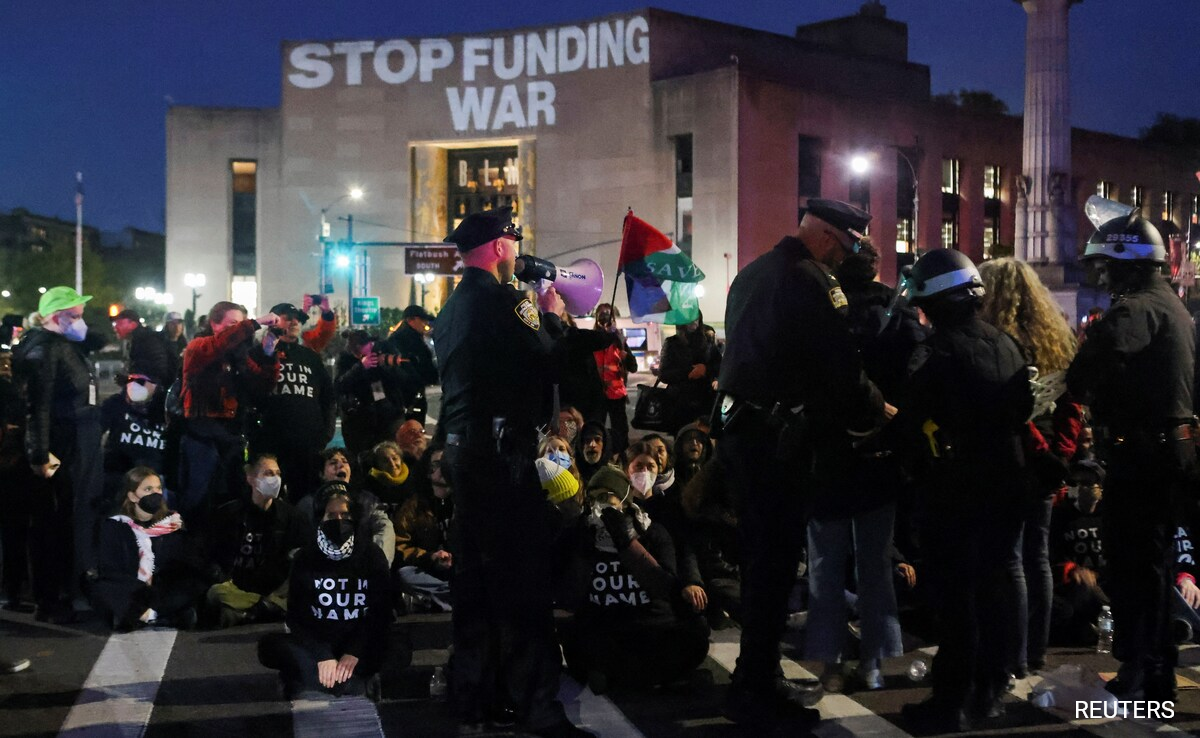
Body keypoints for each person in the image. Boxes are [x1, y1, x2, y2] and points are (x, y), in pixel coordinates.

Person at [715, 199, 888, 729]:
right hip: (777, 445)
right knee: (773, 568)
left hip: (743, 435)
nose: (847, 258)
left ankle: (757, 676)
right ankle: (756, 691)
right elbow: (838, 367)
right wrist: (880, 408)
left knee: (759, 566)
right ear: (831, 237)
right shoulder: (811, 280)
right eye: (849, 246)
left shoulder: (753, 273)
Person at [436, 206, 591, 737]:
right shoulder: (508, 301)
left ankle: (474, 698)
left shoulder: (450, 308)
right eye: (514, 244)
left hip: (465, 452)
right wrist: (550, 314)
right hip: (505, 459)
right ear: (502, 247)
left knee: (475, 584)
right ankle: (536, 706)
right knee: (524, 587)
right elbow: (548, 361)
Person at [890, 248, 1033, 730]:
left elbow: (911, 424)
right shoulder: (1006, 343)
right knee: (996, 590)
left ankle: (949, 701)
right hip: (1007, 485)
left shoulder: (936, 352)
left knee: (956, 601)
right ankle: (990, 693)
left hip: (955, 491)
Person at [1066, 213, 1195, 702]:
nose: (1103, 277)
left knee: (1134, 567)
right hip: (1169, 449)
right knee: (1154, 565)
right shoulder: (1172, 306)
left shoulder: (1133, 311)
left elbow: (1085, 374)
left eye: (1106, 266)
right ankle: (1157, 671)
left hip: (1141, 455)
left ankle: (1141, 670)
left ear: (1127, 263)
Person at [805, 241, 908, 694]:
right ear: (876, 267)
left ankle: (829, 660)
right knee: (875, 564)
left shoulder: (821, 309)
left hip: (828, 450)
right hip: (879, 451)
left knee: (825, 564)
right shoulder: (894, 311)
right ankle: (876, 660)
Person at [978, 257, 1081, 678]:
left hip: (1016, 456)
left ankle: (1014, 655)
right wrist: (1061, 455)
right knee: (1038, 556)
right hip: (1048, 460)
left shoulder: (1000, 341)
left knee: (1010, 558)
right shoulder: (1055, 337)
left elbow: (1011, 412)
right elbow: (1072, 405)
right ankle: (1036, 650)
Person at [558, 466, 710, 693]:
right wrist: (583, 547)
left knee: (696, 633)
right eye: (593, 498)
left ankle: (623, 678)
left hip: (649, 625)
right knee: (575, 639)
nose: (598, 504)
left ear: (624, 500)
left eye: (606, 497)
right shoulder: (581, 534)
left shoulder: (652, 532)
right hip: (609, 630)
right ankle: (648, 678)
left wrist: (626, 542)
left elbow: (663, 586)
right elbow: (570, 595)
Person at [11, 286, 105, 622]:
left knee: (71, 518)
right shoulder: (45, 349)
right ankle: (54, 597)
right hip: (64, 444)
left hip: (77, 439)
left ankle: (68, 590)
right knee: (55, 523)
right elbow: (38, 406)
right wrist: (40, 454)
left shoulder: (61, 345)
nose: (81, 322)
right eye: (75, 315)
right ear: (55, 317)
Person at [257, 485, 390, 699]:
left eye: (345, 515)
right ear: (320, 518)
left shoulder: (371, 555)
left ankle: (322, 678)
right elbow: (297, 617)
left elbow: (380, 612)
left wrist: (354, 652)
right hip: (320, 641)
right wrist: (322, 655)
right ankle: (347, 678)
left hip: (358, 641)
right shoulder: (305, 557)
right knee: (269, 647)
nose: (339, 520)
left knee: (397, 646)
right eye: (331, 515)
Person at [178, 301, 280, 526]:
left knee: (232, 493)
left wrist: (268, 353)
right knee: (199, 495)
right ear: (214, 324)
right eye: (233, 324)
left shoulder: (240, 357)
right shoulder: (199, 346)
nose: (239, 330)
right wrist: (255, 323)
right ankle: (192, 538)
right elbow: (220, 344)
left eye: (241, 324)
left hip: (232, 434)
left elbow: (263, 385)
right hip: (202, 433)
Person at [88, 467, 207, 631]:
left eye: (158, 489)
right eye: (148, 489)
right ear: (132, 495)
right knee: (100, 586)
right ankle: (155, 615)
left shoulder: (172, 522)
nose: (155, 494)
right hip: (129, 585)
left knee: (191, 583)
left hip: (161, 586)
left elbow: (183, 561)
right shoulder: (115, 524)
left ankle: (147, 614)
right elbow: (110, 566)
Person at [249, 302, 335, 504]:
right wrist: (255, 434)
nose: (294, 322)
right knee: (268, 498)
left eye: (297, 319)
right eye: (287, 318)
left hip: (308, 443)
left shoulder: (310, 356)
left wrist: (326, 433)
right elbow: (250, 393)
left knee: (306, 498)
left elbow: (328, 397)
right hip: (270, 443)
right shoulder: (258, 354)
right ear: (273, 321)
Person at [207, 454, 307, 627]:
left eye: (277, 474)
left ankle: (250, 612)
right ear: (251, 479)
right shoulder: (230, 514)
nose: (275, 479)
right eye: (268, 473)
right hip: (238, 587)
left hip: (275, 588)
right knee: (215, 592)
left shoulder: (293, 517)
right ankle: (262, 608)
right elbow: (211, 554)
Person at [1049, 460, 1108, 646]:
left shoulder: (1108, 518)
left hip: (1104, 584)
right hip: (1073, 587)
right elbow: (1050, 557)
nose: (1082, 488)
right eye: (1076, 483)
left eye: (1088, 483)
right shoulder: (1060, 517)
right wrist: (1072, 569)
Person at [394, 445, 455, 612]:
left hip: (459, 569)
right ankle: (453, 597)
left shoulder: (465, 501)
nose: (443, 468)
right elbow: (401, 545)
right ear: (428, 471)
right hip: (428, 570)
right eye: (437, 464)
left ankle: (440, 600)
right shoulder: (413, 506)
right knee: (404, 574)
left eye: (447, 463)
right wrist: (430, 557)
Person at [335, 330, 409, 461]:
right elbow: (340, 385)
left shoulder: (386, 351)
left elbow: (403, 379)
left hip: (388, 416)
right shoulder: (346, 359)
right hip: (359, 420)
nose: (362, 354)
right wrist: (360, 366)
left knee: (390, 455)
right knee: (362, 458)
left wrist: (385, 365)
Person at [100, 373, 168, 499]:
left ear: (156, 385)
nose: (134, 385)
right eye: (130, 380)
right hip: (119, 478)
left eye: (140, 381)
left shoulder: (166, 411)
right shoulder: (116, 405)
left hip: (154, 481)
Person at [658, 311, 720, 435]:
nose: (693, 323)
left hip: (705, 402)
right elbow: (663, 374)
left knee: (704, 439)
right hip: (680, 404)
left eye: (696, 318)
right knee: (683, 439)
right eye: (689, 319)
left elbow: (719, 366)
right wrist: (688, 372)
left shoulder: (708, 343)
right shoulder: (672, 343)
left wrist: (705, 370)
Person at [591, 303, 638, 456]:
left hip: (616, 394)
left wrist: (626, 356)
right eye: (601, 314)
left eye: (608, 314)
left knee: (620, 430)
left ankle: (622, 457)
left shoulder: (619, 341)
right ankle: (597, 456)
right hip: (597, 393)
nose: (604, 317)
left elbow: (633, 367)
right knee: (595, 428)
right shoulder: (591, 339)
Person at [384, 305, 438, 425]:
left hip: (408, 397)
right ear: (411, 320)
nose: (425, 323)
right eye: (422, 320)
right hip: (407, 398)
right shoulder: (405, 341)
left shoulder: (415, 338)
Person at [112, 308, 173, 387]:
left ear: (133, 324)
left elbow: (156, 372)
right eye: (115, 324)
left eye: (120, 323)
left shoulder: (147, 342)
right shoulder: (135, 342)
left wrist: (130, 380)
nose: (115, 327)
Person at [573, 421, 609, 485]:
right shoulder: (571, 473)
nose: (592, 445)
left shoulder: (614, 476)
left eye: (597, 440)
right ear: (581, 445)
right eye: (587, 440)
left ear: (604, 445)